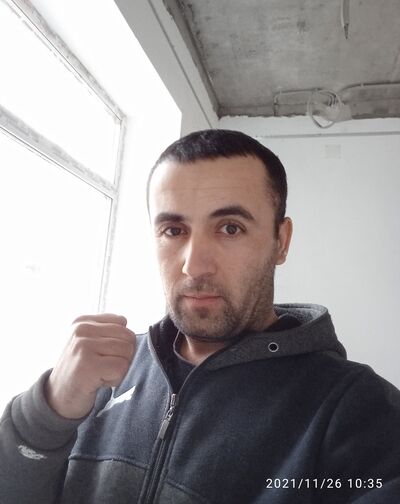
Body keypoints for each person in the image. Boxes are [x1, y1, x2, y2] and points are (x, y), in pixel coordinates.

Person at [0, 129, 399, 504]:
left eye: (230, 228)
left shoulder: (357, 410)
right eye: (174, 230)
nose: (194, 265)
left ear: (281, 241)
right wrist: (48, 412)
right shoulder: (105, 372)